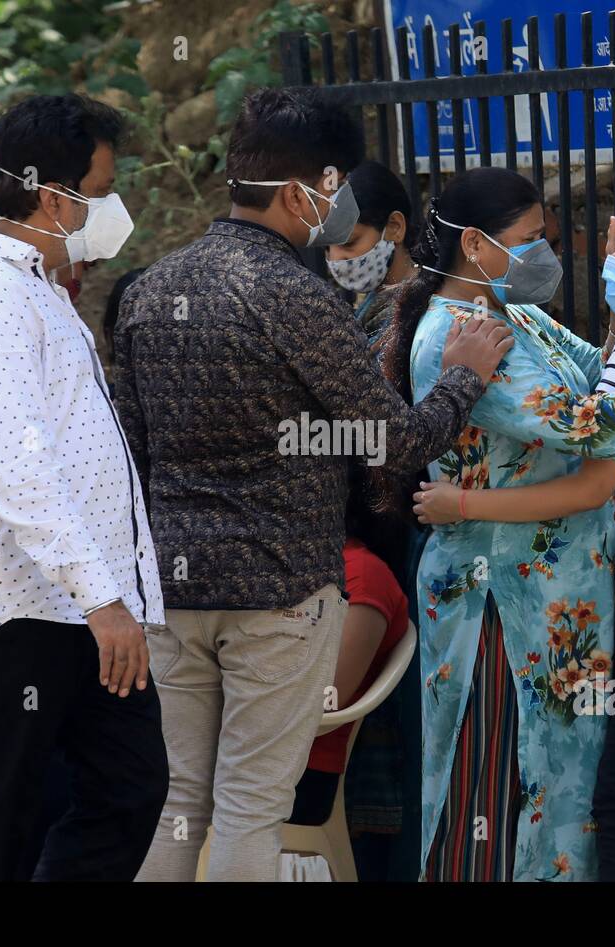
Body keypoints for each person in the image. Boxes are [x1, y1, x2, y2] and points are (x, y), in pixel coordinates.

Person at [114, 87, 513, 882]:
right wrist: (462, 381)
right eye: (334, 191)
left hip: (170, 584)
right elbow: (394, 444)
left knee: (183, 800)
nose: (335, 209)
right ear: (305, 190)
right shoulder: (296, 295)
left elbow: (132, 456)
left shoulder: (152, 288)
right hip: (281, 586)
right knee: (252, 806)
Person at [383, 168, 615, 881]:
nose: (545, 256)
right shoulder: (453, 332)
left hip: (563, 601)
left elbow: (597, 372)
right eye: (531, 241)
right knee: (500, 780)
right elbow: (580, 423)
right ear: (475, 243)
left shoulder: (514, 313)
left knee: (568, 795)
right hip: (497, 603)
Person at [0, 93, 167, 881]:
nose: (113, 206)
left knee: (130, 786)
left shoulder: (41, 288)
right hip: (12, 603)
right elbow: (19, 470)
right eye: (104, 185)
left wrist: (107, 596)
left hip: (75, 602)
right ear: (56, 199)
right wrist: (105, 598)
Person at [288, 463, 409, 829]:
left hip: (298, 771)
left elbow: (327, 698)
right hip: (244, 750)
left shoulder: (362, 573)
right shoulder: (282, 564)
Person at [324, 160, 418, 353]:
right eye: (327, 246)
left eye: (349, 243)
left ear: (395, 227)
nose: (336, 257)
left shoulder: (422, 310)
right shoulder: (374, 306)